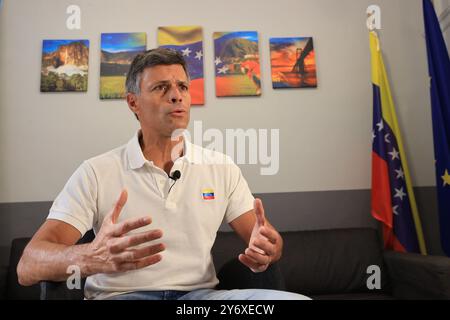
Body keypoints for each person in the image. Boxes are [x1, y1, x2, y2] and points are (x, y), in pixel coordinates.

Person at [17, 48, 309, 300]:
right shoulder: (95, 171)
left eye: (182, 87)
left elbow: (266, 241)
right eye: (160, 88)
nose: (176, 96)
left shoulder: (221, 167)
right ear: (133, 102)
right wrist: (91, 257)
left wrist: (270, 248)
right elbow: (27, 266)